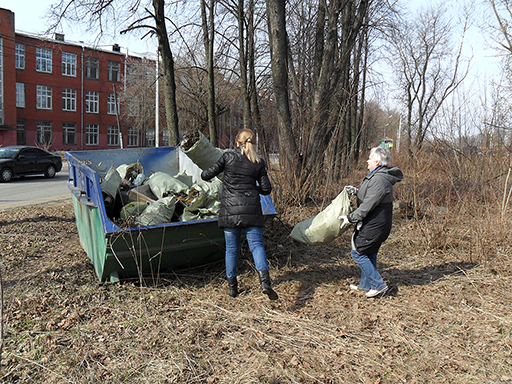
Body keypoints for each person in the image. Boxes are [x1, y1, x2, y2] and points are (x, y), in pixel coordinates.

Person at [201, 129, 278, 300]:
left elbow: (205, 175)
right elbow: (266, 189)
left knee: (231, 250)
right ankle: (265, 283)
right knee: (257, 246)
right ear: (252, 143)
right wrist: (251, 188)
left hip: (230, 211)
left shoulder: (228, 157)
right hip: (251, 211)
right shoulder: (259, 162)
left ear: (237, 143)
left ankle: (232, 288)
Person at [339, 146, 403, 298]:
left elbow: (368, 206)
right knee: (370, 252)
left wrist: (350, 218)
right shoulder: (377, 176)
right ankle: (366, 285)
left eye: (369, 158)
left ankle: (379, 285)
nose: (367, 161)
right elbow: (369, 196)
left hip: (375, 225)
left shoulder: (380, 180)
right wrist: (356, 191)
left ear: (376, 161)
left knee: (358, 253)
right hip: (378, 224)